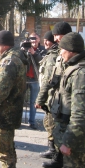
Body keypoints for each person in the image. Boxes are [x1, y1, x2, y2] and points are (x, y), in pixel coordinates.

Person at [51, 32, 85, 168]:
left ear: (70, 50)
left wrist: (68, 142)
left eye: (62, 49)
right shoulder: (78, 67)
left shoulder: (81, 74)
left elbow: (81, 114)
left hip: (75, 138)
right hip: (71, 134)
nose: (60, 53)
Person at [0, 30, 27, 168]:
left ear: (4, 45)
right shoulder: (14, 57)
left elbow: (0, 90)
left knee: (4, 151)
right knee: (8, 148)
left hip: (4, 113)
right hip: (10, 111)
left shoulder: (9, 61)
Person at [35, 21, 72, 168]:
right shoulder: (59, 53)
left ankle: (62, 159)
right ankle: (58, 157)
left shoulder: (72, 54)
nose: (55, 38)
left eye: (58, 35)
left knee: (65, 131)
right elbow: (51, 78)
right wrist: (42, 97)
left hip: (69, 101)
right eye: (55, 35)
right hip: (57, 98)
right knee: (56, 129)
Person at [36, 30, 59, 159]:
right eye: (44, 40)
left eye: (48, 40)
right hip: (50, 96)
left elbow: (48, 79)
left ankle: (54, 151)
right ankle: (53, 149)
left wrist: (41, 98)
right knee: (49, 122)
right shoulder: (49, 53)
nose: (45, 42)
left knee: (50, 123)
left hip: (51, 96)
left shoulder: (52, 56)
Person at [24, 32, 45, 129]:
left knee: (33, 102)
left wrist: (34, 53)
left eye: (35, 38)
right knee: (20, 100)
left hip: (35, 79)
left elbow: (42, 62)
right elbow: (21, 60)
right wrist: (23, 51)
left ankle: (31, 122)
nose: (34, 40)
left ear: (39, 39)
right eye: (32, 39)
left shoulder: (42, 50)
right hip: (24, 78)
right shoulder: (25, 48)